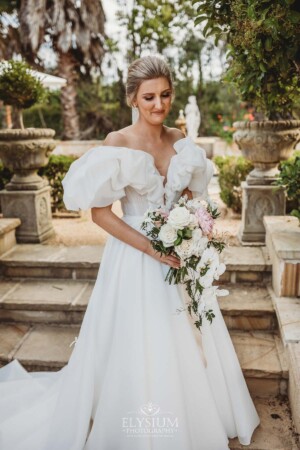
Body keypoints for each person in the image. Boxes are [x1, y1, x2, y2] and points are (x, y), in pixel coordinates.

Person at [0, 55, 260, 450]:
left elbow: (193, 199)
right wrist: (152, 248)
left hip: (178, 256)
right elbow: (100, 215)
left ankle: (193, 413)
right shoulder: (117, 143)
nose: (160, 105)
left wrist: (195, 226)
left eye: (166, 95)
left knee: (186, 334)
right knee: (139, 339)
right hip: (134, 257)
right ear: (133, 100)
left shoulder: (179, 141)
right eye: (150, 97)